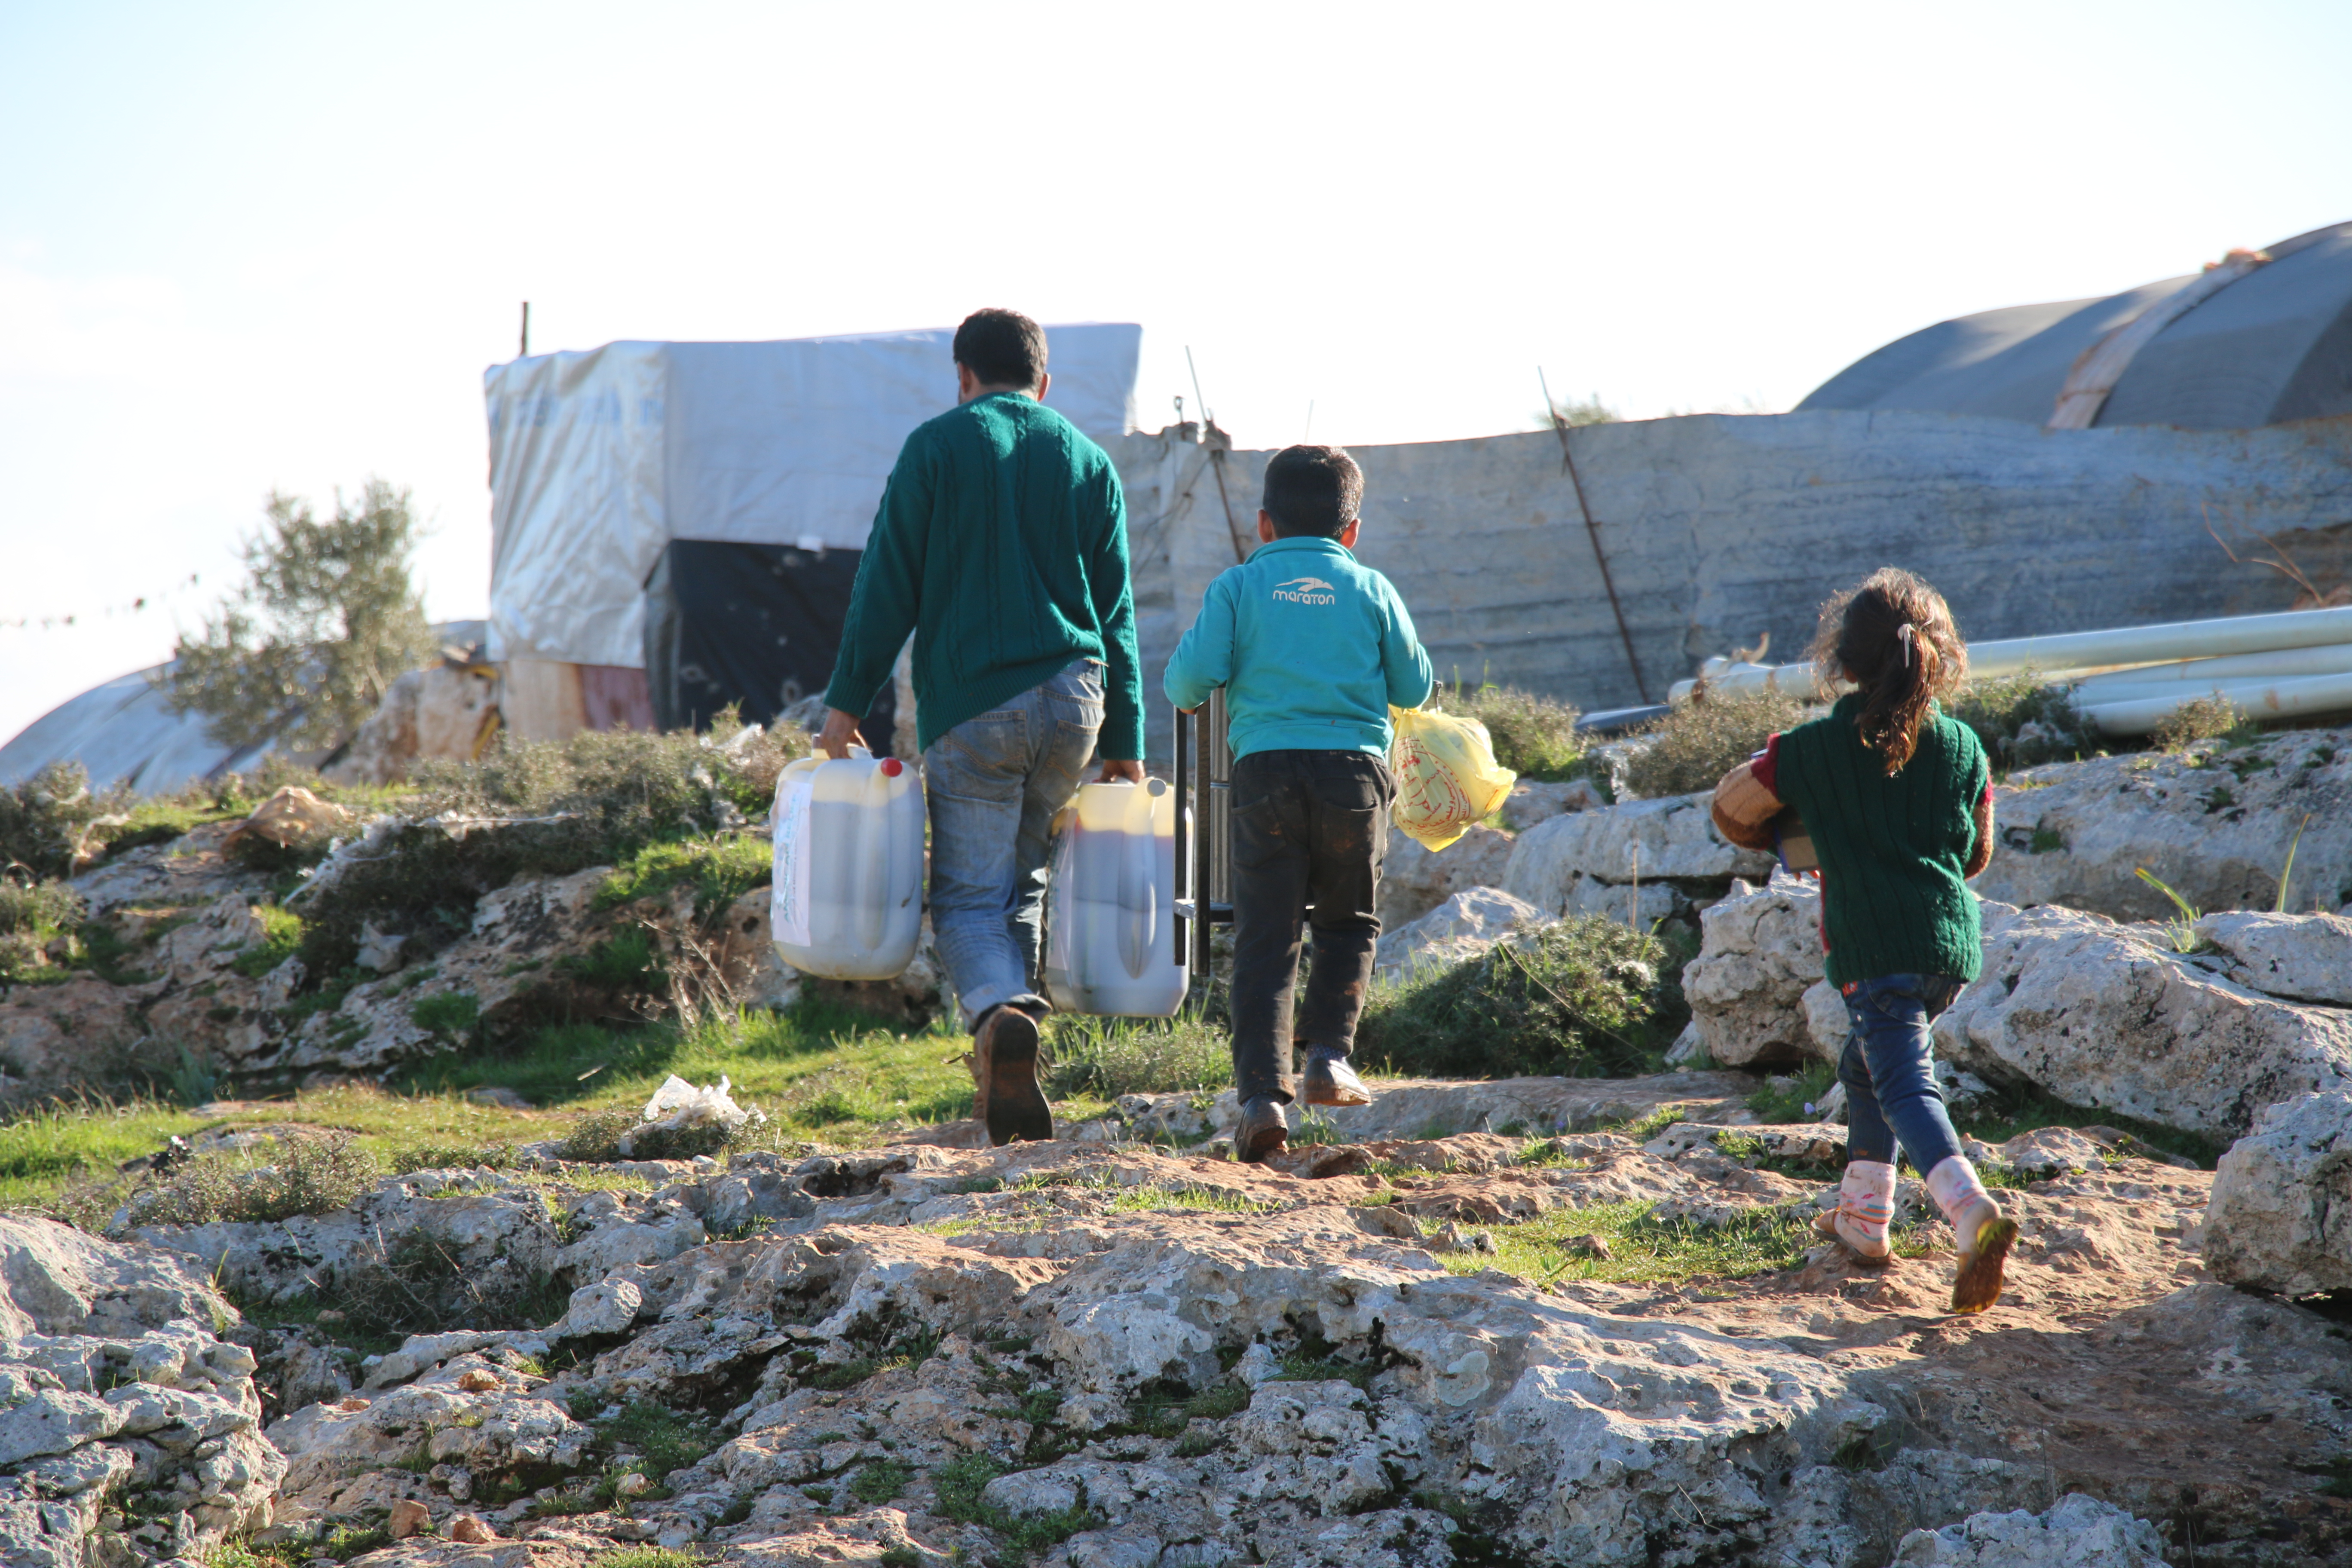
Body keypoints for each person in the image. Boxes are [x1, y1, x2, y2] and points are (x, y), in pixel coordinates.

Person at [818, 309, 1144, 1146]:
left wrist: (845, 704)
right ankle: (1013, 1048)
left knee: (967, 895)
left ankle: (999, 1017)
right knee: (1023, 880)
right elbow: (1118, 615)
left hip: (976, 707)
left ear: (962, 376)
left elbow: (886, 582)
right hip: (1077, 700)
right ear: (1044, 382)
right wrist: (1127, 744)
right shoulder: (1088, 459)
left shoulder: (938, 446)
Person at [1710, 567, 2013, 1314]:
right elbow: (1976, 855)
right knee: (1869, 1068)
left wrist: (1805, 831)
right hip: (1946, 947)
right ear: (1939, 658)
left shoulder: (1809, 750)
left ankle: (1971, 1212)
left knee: (1906, 1083)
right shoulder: (1965, 746)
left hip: (1874, 950)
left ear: (1841, 663)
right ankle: (1864, 1218)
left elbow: (1729, 809)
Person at [1164, 445, 1433, 1162]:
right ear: (1353, 531)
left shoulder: (1238, 587)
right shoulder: (1372, 587)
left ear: (1263, 524)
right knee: (1348, 922)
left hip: (1265, 779)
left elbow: (1190, 681)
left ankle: (1260, 1100)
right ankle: (1330, 1057)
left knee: (1266, 936)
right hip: (1353, 780)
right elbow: (1413, 688)